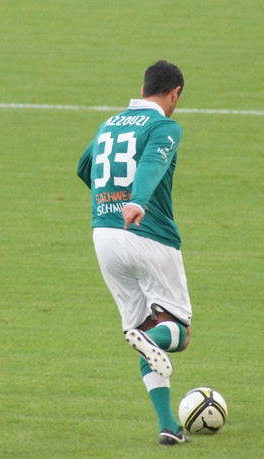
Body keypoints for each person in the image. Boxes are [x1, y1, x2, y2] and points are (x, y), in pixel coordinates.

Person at [77, 60, 192, 446]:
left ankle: (168, 426)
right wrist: (137, 200)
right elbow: (152, 164)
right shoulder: (164, 127)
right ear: (175, 93)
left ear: (142, 89)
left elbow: (84, 167)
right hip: (148, 235)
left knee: (141, 331)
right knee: (176, 332)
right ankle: (154, 340)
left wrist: (109, 199)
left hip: (104, 238)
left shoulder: (109, 124)